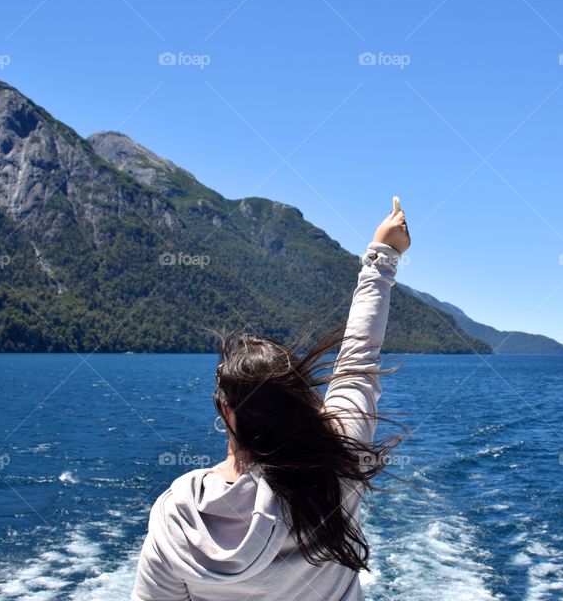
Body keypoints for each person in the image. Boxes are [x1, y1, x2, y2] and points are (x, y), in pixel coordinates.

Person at [131, 204, 411, 601]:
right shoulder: (334, 474)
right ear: (299, 403)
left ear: (228, 412)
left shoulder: (177, 516)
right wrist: (383, 255)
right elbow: (358, 361)